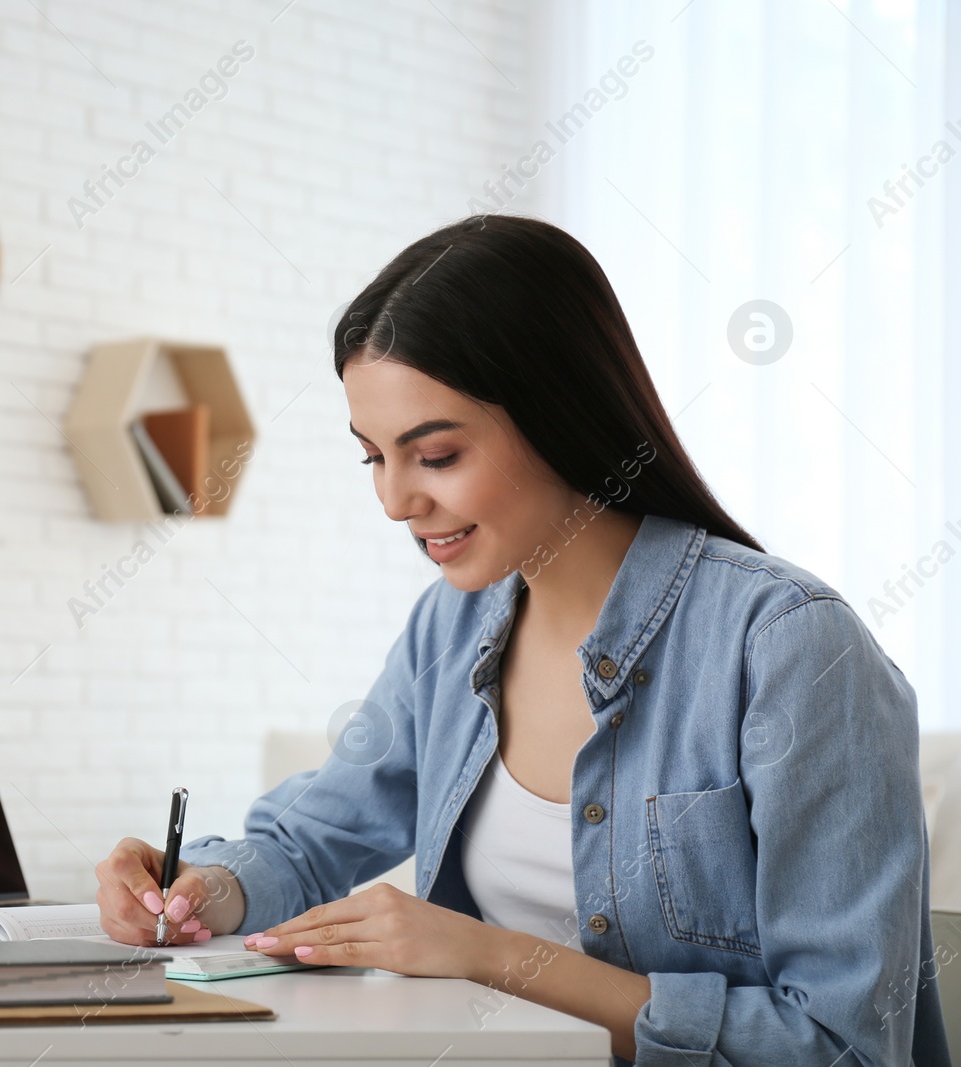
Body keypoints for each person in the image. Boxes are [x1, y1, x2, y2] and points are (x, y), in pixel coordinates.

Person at [94, 215, 950, 1066]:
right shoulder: (454, 624)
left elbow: (844, 1043)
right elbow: (316, 832)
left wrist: (486, 953)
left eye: (434, 455)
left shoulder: (791, 647)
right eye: (373, 459)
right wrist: (207, 888)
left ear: (558, 411)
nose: (395, 501)